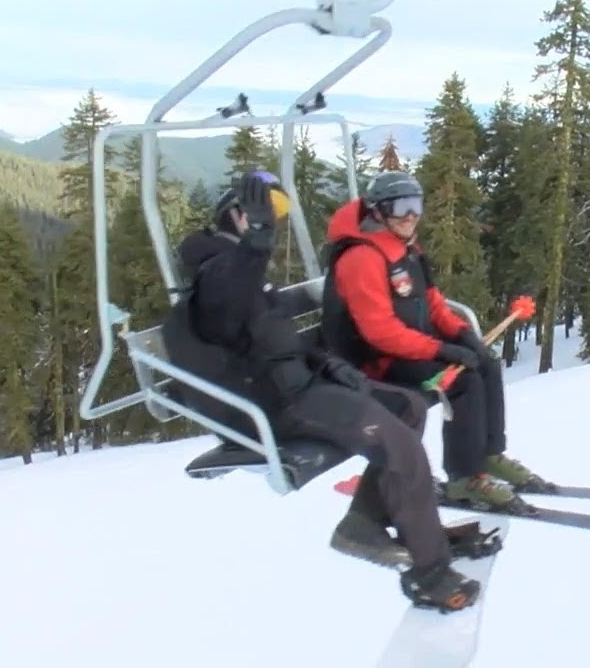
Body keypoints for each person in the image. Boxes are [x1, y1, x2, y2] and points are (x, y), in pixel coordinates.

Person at [167, 170, 498, 612]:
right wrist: (256, 244)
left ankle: (363, 523)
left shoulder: (248, 276)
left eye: (274, 215)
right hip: (275, 405)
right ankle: (429, 570)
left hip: (303, 385)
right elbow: (225, 315)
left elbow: (279, 339)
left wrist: (329, 363)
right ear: (232, 217)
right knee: (399, 446)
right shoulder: (215, 276)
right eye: (258, 212)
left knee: (408, 407)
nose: (269, 221)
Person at [319, 171, 551, 512]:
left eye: (416, 205)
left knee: (484, 362)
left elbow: (432, 303)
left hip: (407, 348)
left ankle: (488, 455)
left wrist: (462, 334)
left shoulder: (405, 248)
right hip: (375, 362)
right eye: (400, 207)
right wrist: (441, 349)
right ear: (378, 211)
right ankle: (464, 478)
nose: (410, 215)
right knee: (461, 380)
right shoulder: (362, 258)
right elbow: (378, 331)